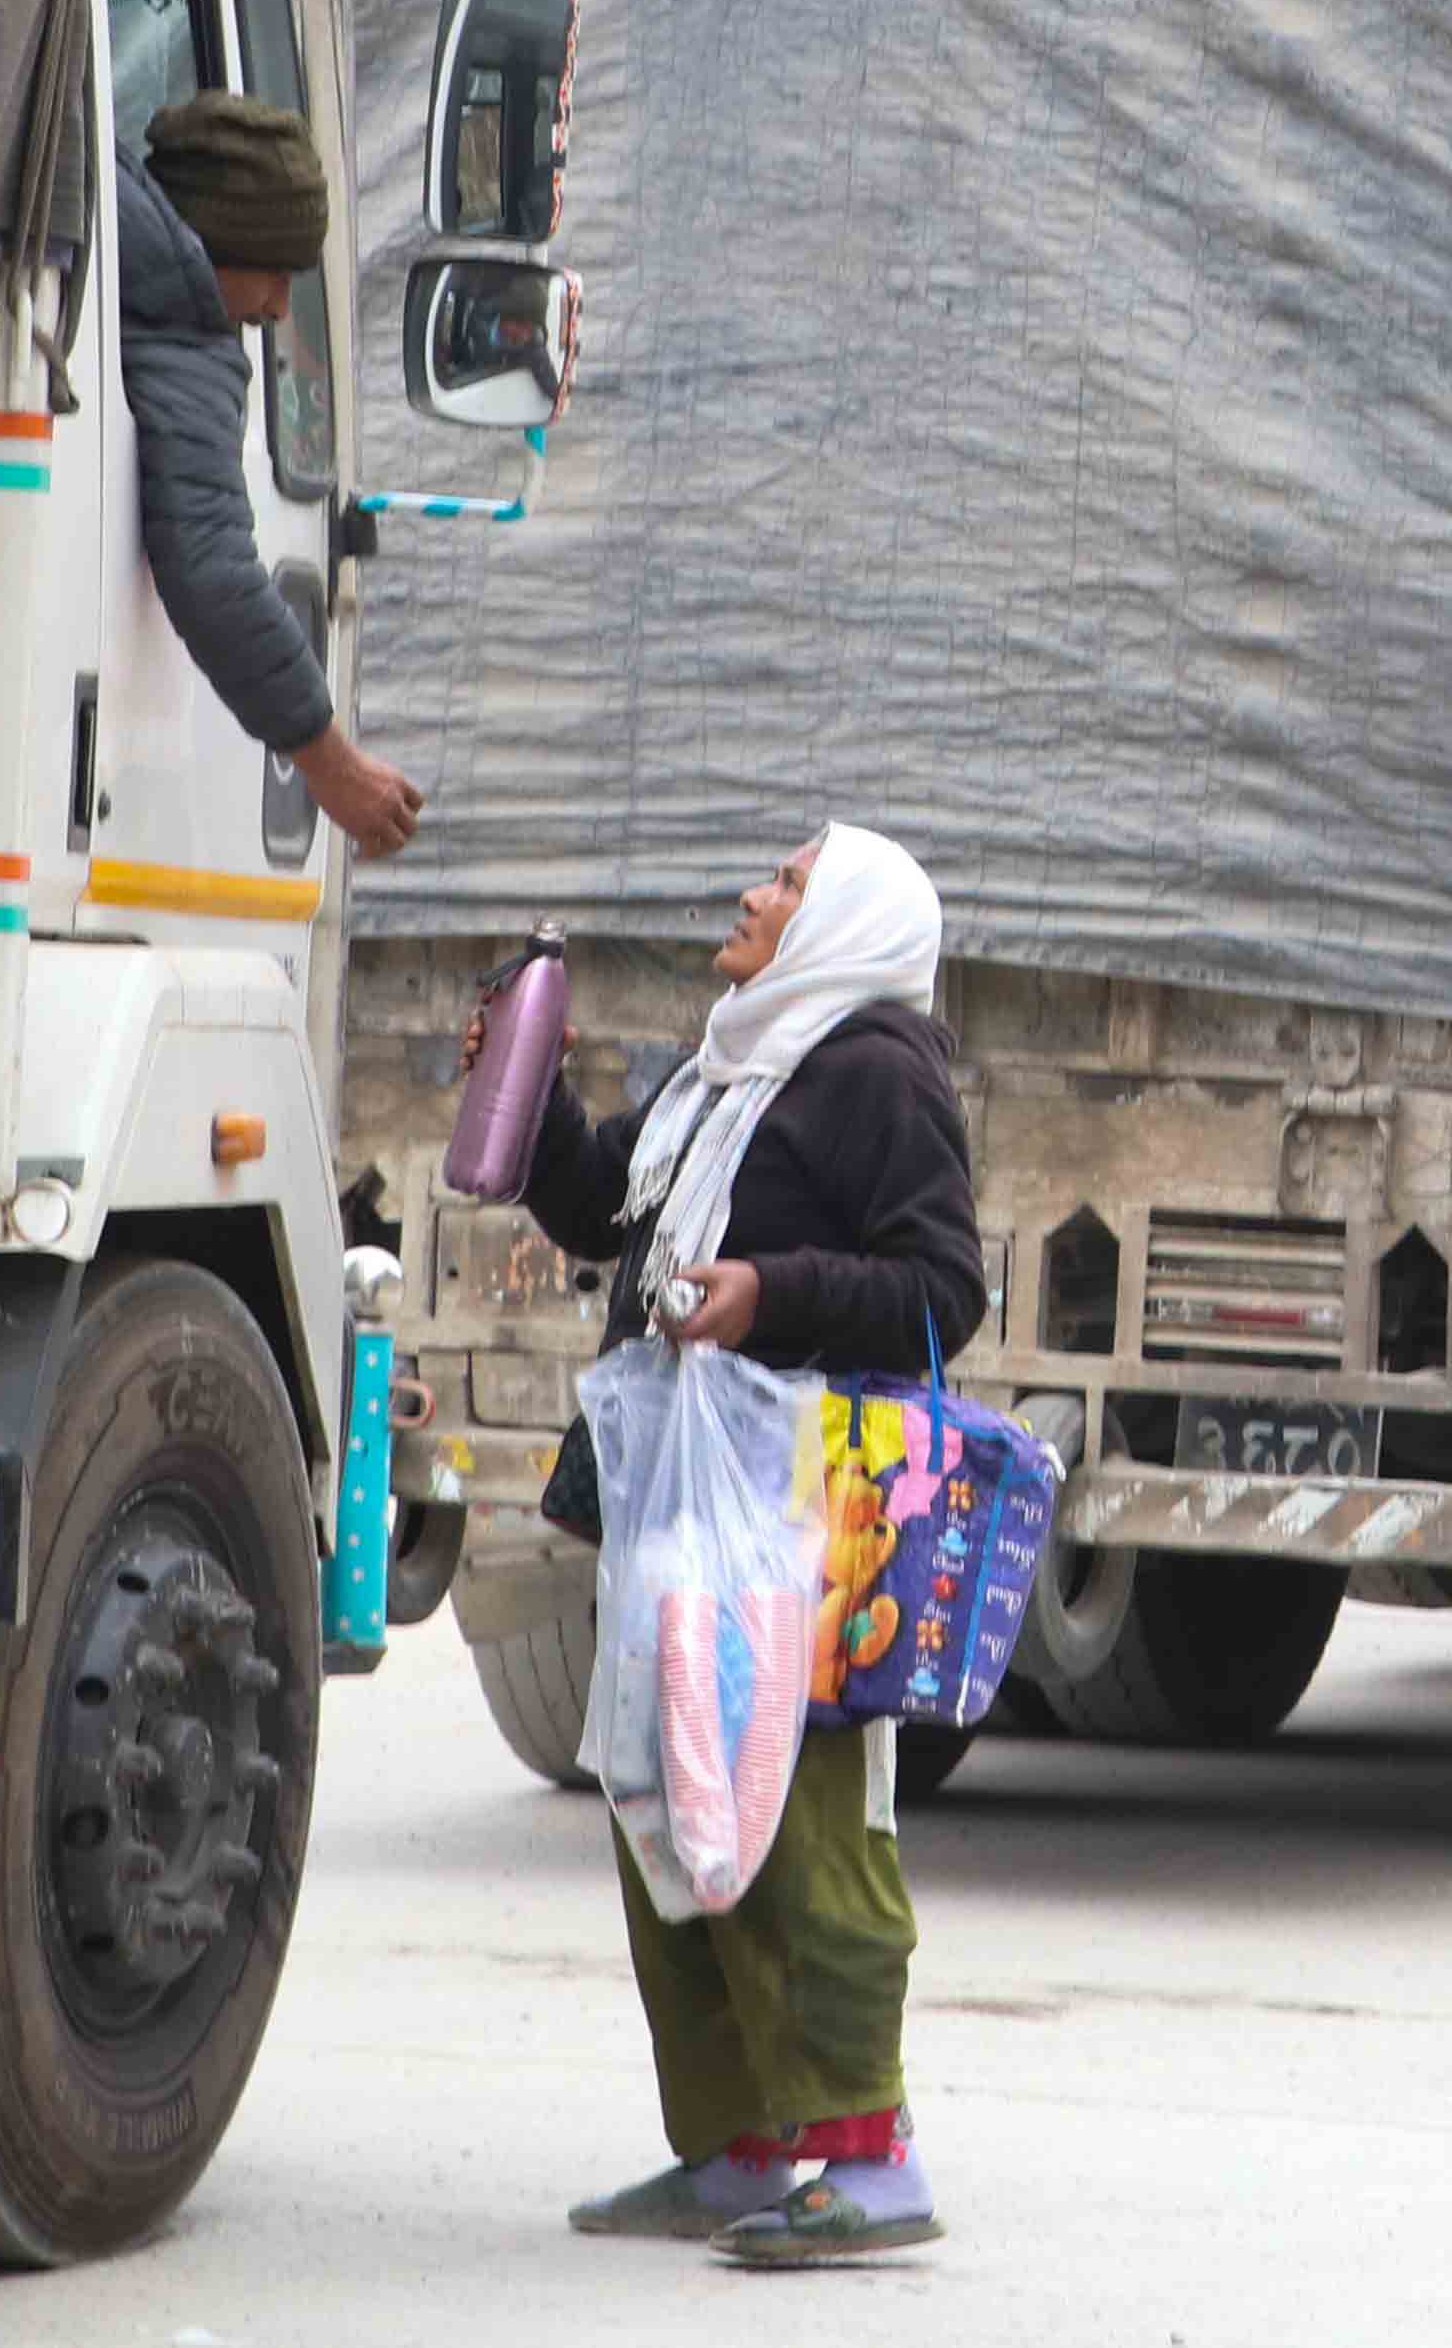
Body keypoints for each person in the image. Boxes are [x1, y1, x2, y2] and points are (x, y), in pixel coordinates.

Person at [485, 825, 986, 2266]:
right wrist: (533, 1089)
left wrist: (771, 1289)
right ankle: (743, 2139)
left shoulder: (874, 1065)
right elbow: (613, 1219)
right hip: (688, 1492)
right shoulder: (732, 1065)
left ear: (843, 924)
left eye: (785, 882)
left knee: (801, 1816)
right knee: (671, 1805)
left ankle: (868, 2147)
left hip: (799, 1503)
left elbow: (944, 1287)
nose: (753, 894)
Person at [116, 92, 425, 857]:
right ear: (216, 242)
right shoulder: (180, 329)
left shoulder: (137, 275)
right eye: (274, 275)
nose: (278, 306)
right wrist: (328, 761)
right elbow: (212, 566)